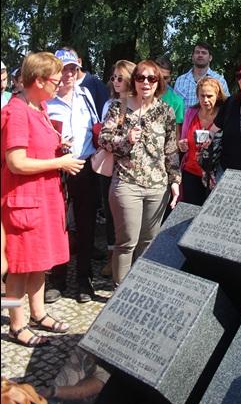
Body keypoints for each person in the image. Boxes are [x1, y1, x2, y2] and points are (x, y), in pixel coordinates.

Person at [1, 52, 85, 347]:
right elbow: (16, 162)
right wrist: (59, 163)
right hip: (24, 202)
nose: (59, 85)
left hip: (42, 199)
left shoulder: (39, 107)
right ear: (37, 81)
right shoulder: (16, 112)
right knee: (19, 268)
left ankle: (37, 313)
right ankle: (16, 324)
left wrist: (58, 146)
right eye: (55, 80)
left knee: (39, 262)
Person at [98, 60, 181, 286]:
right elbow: (103, 138)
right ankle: (120, 291)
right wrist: (126, 140)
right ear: (134, 80)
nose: (146, 82)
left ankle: (140, 288)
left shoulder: (166, 111)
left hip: (157, 186)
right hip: (127, 182)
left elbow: (170, 150)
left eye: (151, 78)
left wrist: (175, 180)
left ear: (158, 82)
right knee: (127, 242)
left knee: (148, 242)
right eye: (140, 77)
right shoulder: (119, 106)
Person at [46, 49, 100, 304]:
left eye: (72, 69)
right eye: (63, 69)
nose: (68, 74)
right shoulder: (47, 101)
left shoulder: (85, 95)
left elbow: (96, 126)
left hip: (84, 166)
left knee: (86, 225)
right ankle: (57, 279)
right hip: (57, 168)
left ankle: (84, 280)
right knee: (59, 225)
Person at [99, 59, 136, 277]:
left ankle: (131, 260)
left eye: (120, 78)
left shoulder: (140, 104)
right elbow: (104, 137)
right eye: (113, 77)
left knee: (128, 217)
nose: (115, 81)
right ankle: (111, 257)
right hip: (110, 165)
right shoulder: (110, 105)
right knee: (110, 212)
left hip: (132, 168)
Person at [178, 77, 227, 205]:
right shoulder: (191, 112)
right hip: (190, 172)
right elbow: (183, 140)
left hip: (215, 176)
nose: (205, 100)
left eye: (209, 96)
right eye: (202, 96)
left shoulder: (224, 115)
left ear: (218, 95)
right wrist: (182, 145)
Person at [174, 42, 230, 110]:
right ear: (192, 57)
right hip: (185, 117)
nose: (200, 55)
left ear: (210, 58)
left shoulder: (219, 81)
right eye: (197, 52)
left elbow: (226, 107)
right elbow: (175, 107)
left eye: (204, 53)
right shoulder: (180, 81)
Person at [155, 55, 185, 143]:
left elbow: (176, 134)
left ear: (170, 78)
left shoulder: (177, 101)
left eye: (165, 78)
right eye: (158, 77)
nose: (161, 81)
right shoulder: (141, 95)